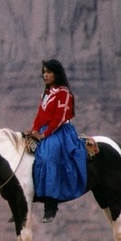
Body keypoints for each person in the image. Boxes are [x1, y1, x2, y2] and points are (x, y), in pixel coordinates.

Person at [25, 59, 87, 222]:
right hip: (45, 131)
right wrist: (34, 131)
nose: (45, 75)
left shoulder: (63, 93)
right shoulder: (45, 94)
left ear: (56, 74)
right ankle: (24, 201)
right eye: (44, 72)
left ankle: (51, 205)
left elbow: (59, 118)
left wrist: (44, 135)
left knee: (48, 157)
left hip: (60, 132)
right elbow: (39, 116)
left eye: (49, 72)